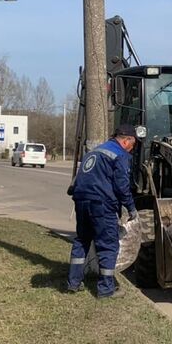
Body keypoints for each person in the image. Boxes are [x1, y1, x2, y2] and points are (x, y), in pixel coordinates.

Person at [67, 124, 139, 298]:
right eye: (133, 144)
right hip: (101, 203)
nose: (132, 149)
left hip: (81, 201)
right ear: (126, 140)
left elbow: (80, 179)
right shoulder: (120, 155)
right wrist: (130, 208)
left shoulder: (94, 152)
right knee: (108, 244)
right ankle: (106, 289)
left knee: (82, 240)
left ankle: (73, 282)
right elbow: (122, 186)